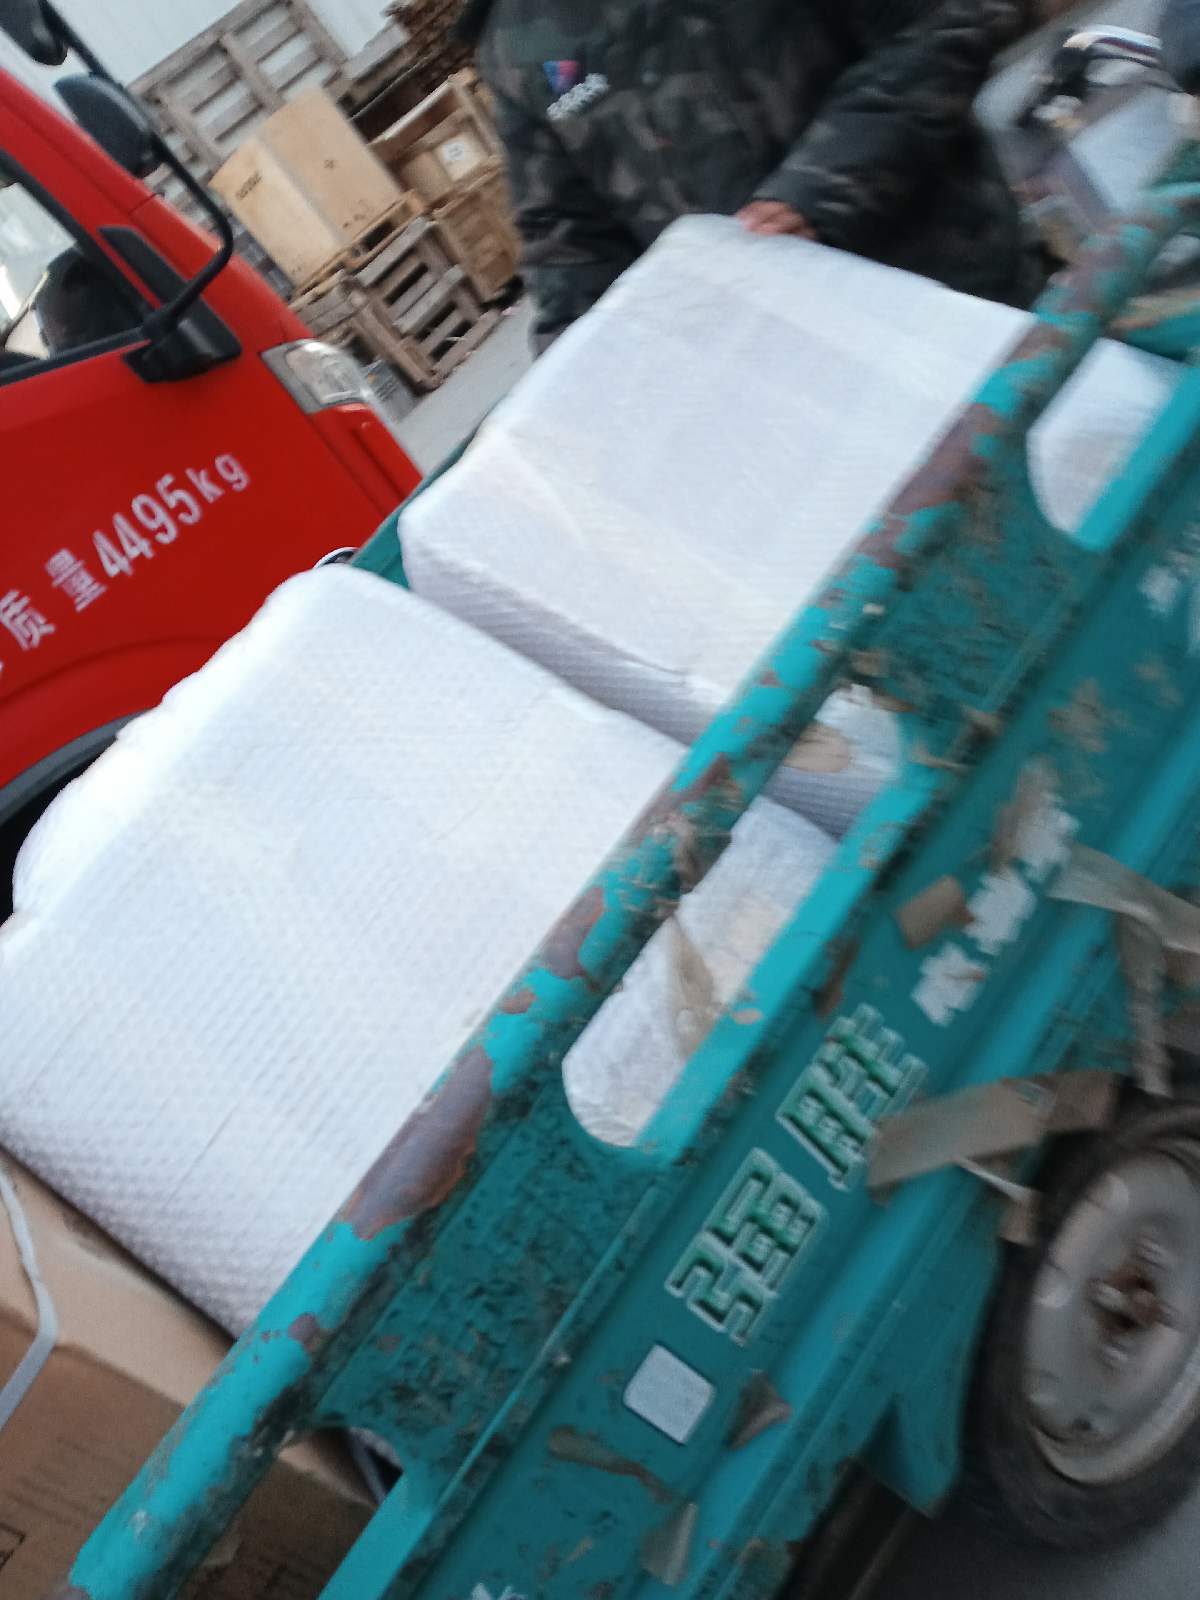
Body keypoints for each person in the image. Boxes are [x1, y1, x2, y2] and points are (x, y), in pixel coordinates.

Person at [459, 0, 1038, 351]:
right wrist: (575, 372)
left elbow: (945, 23)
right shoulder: (514, 37)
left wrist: (814, 193)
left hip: (959, 294)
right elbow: (567, 233)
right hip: (803, 383)